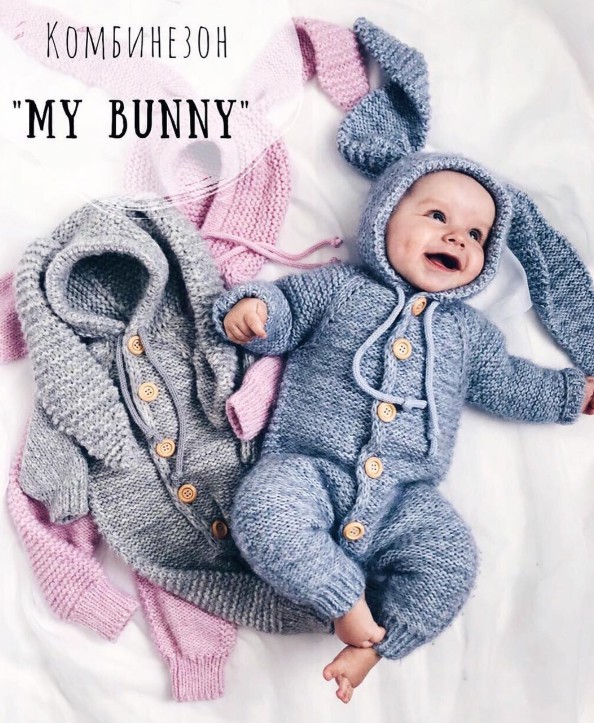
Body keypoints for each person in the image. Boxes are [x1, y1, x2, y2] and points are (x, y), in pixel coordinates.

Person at [213, 158, 594, 703]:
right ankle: (343, 601)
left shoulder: (469, 334)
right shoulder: (341, 289)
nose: (456, 237)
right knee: (263, 510)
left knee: (452, 560)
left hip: (403, 499)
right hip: (311, 469)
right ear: (385, 215)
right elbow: (285, 308)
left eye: (476, 235)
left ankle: (377, 644)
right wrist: (253, 312)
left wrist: (569, 394)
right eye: (438, 216)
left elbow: (507, 382)